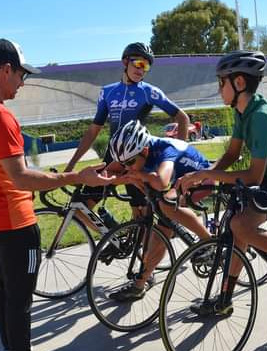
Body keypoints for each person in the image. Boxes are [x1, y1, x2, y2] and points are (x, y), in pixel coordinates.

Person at [0, 39, 109, 351]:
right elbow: (22, 178)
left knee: (7, 287)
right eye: (22, 75)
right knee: (20, 295)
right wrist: (76, 176)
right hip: (14, 221)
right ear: (6, 70)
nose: (23, 82)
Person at [176, 50, 267, 316]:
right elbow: (232, 154)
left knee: (240, 225)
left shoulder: (260, 115)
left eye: (221, 82)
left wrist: (203, 177)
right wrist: (205, 175)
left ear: (240, 83)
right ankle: (225, 300)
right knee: (235, 230)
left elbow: (254, 177)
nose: (218, 88)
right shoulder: (242, 110)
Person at [64, 42, 190, 222]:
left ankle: (140, 248)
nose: (142, 70)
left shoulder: (149, 92)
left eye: (146, 66)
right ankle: (115, 244)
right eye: (138, 63)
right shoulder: (107, 92)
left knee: (142, 216)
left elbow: (182, 118)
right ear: (125, 62)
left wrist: (176, 157)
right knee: (80, 208)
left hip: (137, 158)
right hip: (113, 156)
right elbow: (93, 130)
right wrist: (70, 165)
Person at [103, 120, 212, 301]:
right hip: (176, 181)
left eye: (130, 162)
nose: (127, 166)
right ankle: (140, 284)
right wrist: (118, 177)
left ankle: (208, 240)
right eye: (124, 162)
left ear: (144, 151)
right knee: (159, 229)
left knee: (167, 205)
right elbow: (110, 172)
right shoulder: (135, 153)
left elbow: (162, 182)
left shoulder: (165, 149)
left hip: (201, 179)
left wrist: (136, 175)